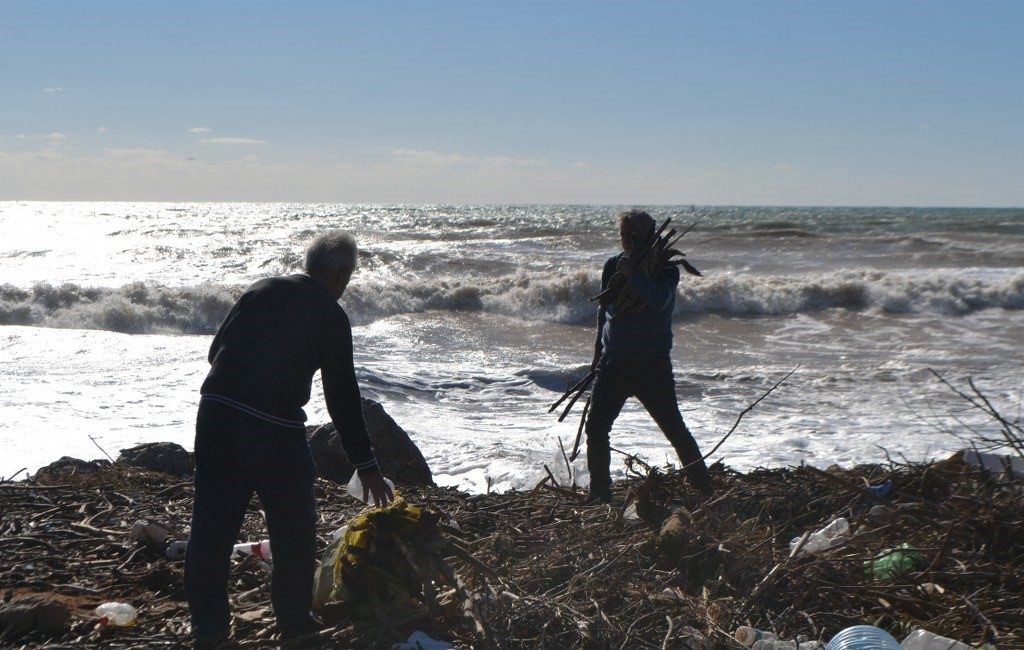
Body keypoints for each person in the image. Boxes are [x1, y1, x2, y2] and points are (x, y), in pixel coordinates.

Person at [185, 231, 393, 649]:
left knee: (211, 530)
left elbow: (215, 354)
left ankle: (209, 634)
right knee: (293, 532)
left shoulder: (260, 290)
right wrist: (366, 465)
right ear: (338, 274)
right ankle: (295, 627)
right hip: (273, 429)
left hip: (217, 416)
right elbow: (342, 397)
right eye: (348, 276)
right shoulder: (330, 316)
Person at [585, 209, 711, 503]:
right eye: (623, 235)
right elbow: (605, 310)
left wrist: (635, 277)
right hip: (614, 363)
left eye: (635, 236)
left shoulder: (666, 269)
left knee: (674, 428)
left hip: (651, 366)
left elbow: (657, 301)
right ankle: (599, 494)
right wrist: (597, 351)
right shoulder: (613, 265)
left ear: (652, 235)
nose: (628, 242)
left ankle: (703, 487)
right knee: (596, 428)